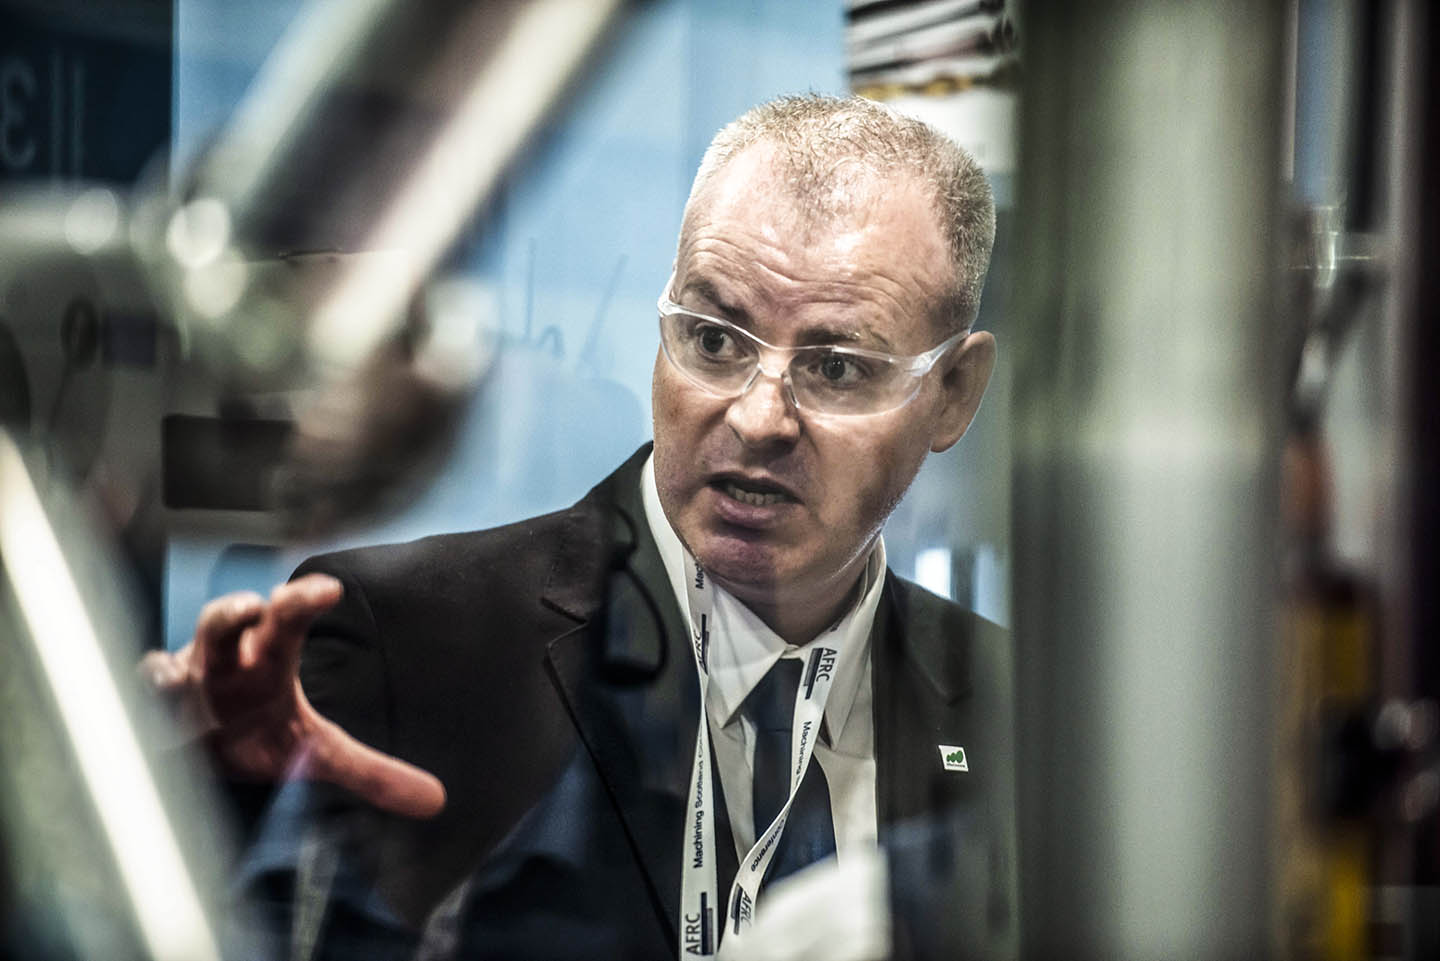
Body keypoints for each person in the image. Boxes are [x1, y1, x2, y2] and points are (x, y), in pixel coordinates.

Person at [145, 94, 1010, 961]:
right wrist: (188, 785)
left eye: (837, 368)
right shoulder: (403, 645)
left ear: (954, 394)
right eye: (714, 342)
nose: (757, 418)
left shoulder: (1021, 713)